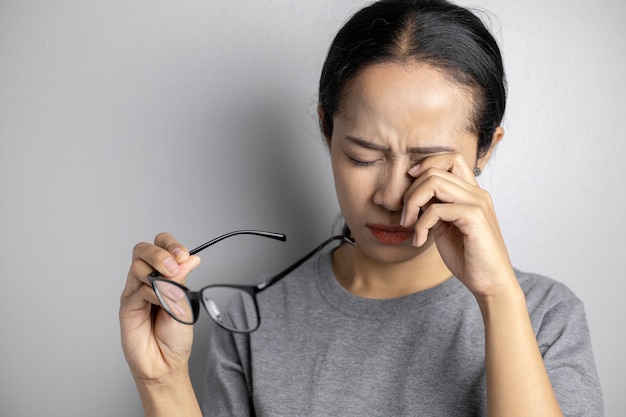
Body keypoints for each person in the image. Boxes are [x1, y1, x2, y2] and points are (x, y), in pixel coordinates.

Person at [119, 0, 604, 415]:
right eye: (363, 157)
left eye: (427, 163)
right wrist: (162, 385)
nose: (392, 196)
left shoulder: (543, 316)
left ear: (485, 150)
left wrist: (498, 298)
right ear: (327, 130)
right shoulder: (248, 320)